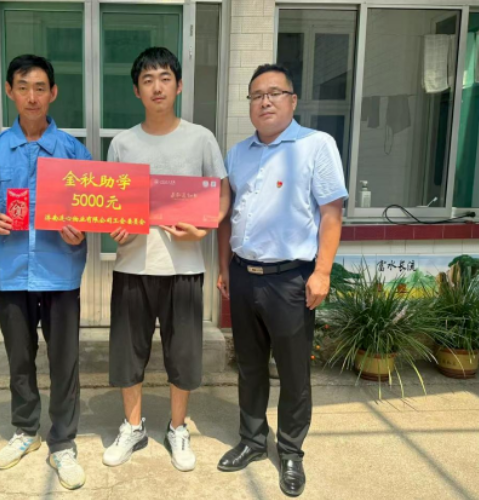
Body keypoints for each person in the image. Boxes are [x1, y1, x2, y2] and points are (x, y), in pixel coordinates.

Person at [0, 54, 90, 490]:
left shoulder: (73, 151)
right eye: (23, 87)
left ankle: (63, 441)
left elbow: (92, 210)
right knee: (19, 358)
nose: (32, 96)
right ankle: (26, 431)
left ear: (53, 93)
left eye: (40, 88)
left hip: (60, 272)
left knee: (64, 361)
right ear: (10, 92)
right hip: (10, 271)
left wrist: (80, 231)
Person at [216, 64, 346, 497]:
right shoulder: (237, 153)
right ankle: (253, 440)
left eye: (274, 93)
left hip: (291, 280)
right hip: (243, 275)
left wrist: (322, 272)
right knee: (249, 367)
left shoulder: (316, 145)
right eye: (257, 95)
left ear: (292, 100)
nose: (265, 101)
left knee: (293, 372)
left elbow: (331, 213)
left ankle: (290, 451)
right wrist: (223, 267)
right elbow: (226, 217)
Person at [101, 47, 231, 472]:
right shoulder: (122, 143)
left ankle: (177, 428)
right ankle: (133, 426)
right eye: (147, 80)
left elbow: (222, 195)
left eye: (164, 78)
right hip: (132, 265)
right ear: (136, 91)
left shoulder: (200, 138)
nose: (157, 87)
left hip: (184, 267)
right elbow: (110, 204)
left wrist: (204, 229)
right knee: (128, 352)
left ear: (179, 85)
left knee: (183, 353)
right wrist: (114, 225)